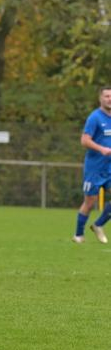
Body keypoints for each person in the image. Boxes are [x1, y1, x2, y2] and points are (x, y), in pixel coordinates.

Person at [72, 86, 111, 244]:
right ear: (100, 99)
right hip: (95, 168)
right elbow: (84, 140)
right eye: (107, 96)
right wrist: (101, 149)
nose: (110, 99)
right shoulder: (95, 117)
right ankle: (78, 234)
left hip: (110, 168)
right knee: (90, 202)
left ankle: (98, 225)